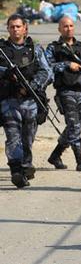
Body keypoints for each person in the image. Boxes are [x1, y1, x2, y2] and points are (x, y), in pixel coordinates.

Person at [0, 14, 52, 188]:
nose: (15, 29)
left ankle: (26, 164)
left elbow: (47, 72)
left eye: (18, 26)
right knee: (13, 135)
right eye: (12, 26)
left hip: (30, 100)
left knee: (28, 137)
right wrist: (5, 73)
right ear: (8, 29)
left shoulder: (35, 49)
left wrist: (32, 85)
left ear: (25, 28)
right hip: (9, 100)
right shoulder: (1, 50)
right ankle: (16, 170)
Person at [45, 16, 81, 172]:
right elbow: (47, 67)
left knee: (77, 125)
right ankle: (80, 160)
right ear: (59, 29)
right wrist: (67, 64)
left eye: (71, 26)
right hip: (65, 91)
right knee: (73, 124)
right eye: (65, 26)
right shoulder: (53, 48)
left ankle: (55, 154)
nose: (68, 29)